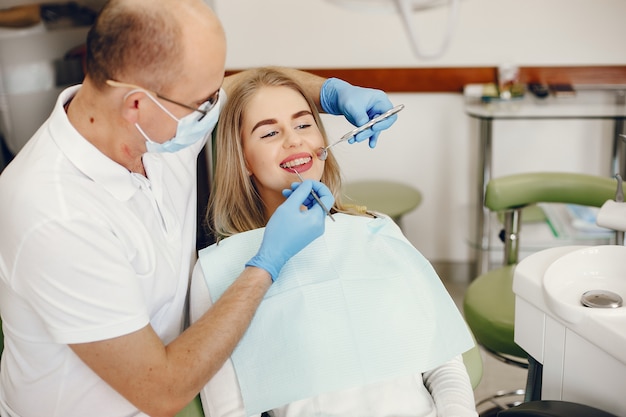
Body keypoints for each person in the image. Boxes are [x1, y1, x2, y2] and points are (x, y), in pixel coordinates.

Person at [0, 0, 399, 416]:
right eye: (204, 102)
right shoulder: (52, 212)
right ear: (136, 105)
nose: (216, 108)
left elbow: (241, 85)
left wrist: (329, 93)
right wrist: (268, 261)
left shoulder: (156, 125)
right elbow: (162, 390)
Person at [190, 67, 478, 417]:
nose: (294, 140)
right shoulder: (219, 270)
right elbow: (229, 410)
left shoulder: (377, 231)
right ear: (243, 159)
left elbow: (442, 364)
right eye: (269, 133)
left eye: (303, 124)